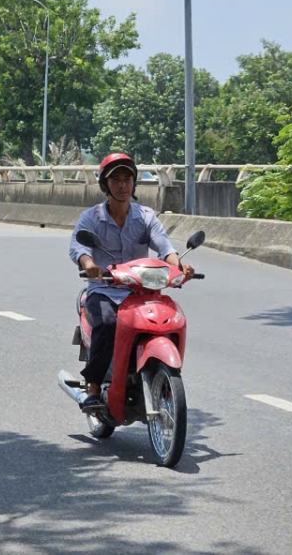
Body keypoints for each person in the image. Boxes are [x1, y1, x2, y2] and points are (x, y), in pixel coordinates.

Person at [68, 153, 194, 412]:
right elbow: (79, 247)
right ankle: (93, 386)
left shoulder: (145, 217)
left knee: (167, 320)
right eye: (116, 180)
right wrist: (89, 266)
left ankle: (160, 375)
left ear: (134, 184)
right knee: (107, 324)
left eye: (128, 180)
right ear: (105, 185)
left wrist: (178, 265)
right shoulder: (91, 218)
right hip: (105, 289)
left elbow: (164, 246)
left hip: (141, 292)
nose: (123, 185)